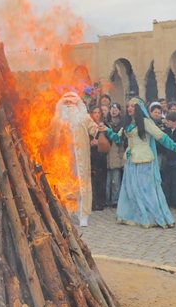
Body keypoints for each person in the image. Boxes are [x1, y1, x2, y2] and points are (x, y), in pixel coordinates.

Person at [106, 98, 176, 228]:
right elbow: (117, 138)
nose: (130, 108)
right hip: (130, 160)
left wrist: (175, 147)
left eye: (133, 106)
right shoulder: (127, 124)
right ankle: (137, 216)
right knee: (131, 189)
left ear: (139, 109)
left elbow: (160, 136)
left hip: (144, 160)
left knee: (146, 189)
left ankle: (152, 217)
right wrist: (105, 130)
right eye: (128, 106)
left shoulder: (146, 122)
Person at [50, 91, 100, 227]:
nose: (69, 105)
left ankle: (83, 215)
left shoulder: (84, 118)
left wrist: (101, 133)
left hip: (81, 158)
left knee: (82, 185)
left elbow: (96, 131)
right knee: (63, 185)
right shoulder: (56, 120)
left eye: (72, 102)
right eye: (66, 102)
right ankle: (64, 213)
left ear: (77, 104)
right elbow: (48, 138)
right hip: (63, 159)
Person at [104, 103, 125, 208]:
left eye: (116, 109)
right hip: (107, 157)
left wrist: (122, 161)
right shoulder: (106, 124)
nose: (113, 111)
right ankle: (107, 200)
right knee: (107, 182)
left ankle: (115, 200)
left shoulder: (122, 127)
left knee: (116, 182)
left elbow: (121, 147)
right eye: (112, 108)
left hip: (116, 157)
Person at [88, 105, 108, 211]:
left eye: (98, 112)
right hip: (90, 155)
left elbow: (109, 141)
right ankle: (92, 202)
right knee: (91, 180)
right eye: (94, 112)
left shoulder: (104, 126)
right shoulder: (87, 125)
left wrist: (99, 143)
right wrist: (89, 142)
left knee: (101, 180)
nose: (96, 114)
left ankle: (101, 202)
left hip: (101, 156)